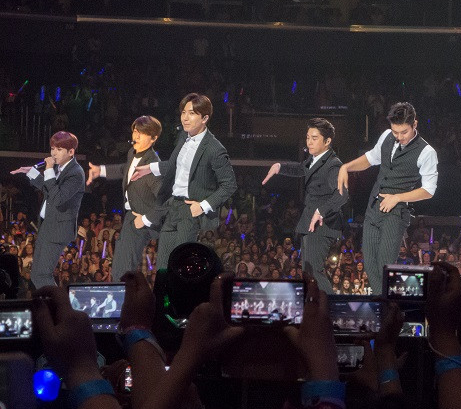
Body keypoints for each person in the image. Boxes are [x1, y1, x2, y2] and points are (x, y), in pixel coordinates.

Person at [337, 102, 438, 295]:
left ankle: (385, 306)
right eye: (395, 132)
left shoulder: (427, 152)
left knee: (384, 265)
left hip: (396, 212)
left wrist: (397, 197)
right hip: (373, 207)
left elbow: (428, 190)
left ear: (415, 124)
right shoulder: (386, 136)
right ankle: (385, 303)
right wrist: (346, 167)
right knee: (369, 264)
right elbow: (370, 158)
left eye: (404, 132)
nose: (399, 136)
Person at [130, 93, 237, 270]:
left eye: (192, 113)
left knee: (179, 263)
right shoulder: (183, 138)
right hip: (172, 205)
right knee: (163, 264)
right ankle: (162, 290)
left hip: (190, 210)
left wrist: (203, 206)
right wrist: (150, 168)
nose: (185, 118)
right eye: (183, 112)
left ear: (205, 118)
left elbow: (229, 185)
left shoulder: (215, 149)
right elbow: (176, 165)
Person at [262, 118, 348, 294]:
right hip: (311, 221)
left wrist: (321, 211)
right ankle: (316, 305)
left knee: (314, 271)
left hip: (322, 223)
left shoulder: (333, 165)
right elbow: (301, 168)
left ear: (327, 141)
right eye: (308, 137)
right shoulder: (315, 158)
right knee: (308, 272)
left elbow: (342, 194)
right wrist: (280, 167)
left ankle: (331, 306)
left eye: (314, 138)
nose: (309, 142)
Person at [87, 115, 163, 281]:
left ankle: (124, 295)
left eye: (142, 133)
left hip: (141, 219)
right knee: (120, 266)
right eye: (135, 131)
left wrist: (145, 219)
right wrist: (101, 171)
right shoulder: (132, 153)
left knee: (123, 269)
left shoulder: (152, 165)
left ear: (153, 138)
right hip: (131, 216)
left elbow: (164, 199)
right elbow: (125, 169)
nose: (136, 136)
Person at [10, 131, 85, 289]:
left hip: (58, 229)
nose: (53, 153)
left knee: (43, 275)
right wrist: (31, 172)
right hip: (47, 225)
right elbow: (48, 189)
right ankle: (50, 301)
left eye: (59, 149)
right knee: (36, 275)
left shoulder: (76, 173)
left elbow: (58, 199)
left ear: (71, 152)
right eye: (52, 149)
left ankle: (58, 303)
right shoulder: (60, 168)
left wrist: (49, 169)